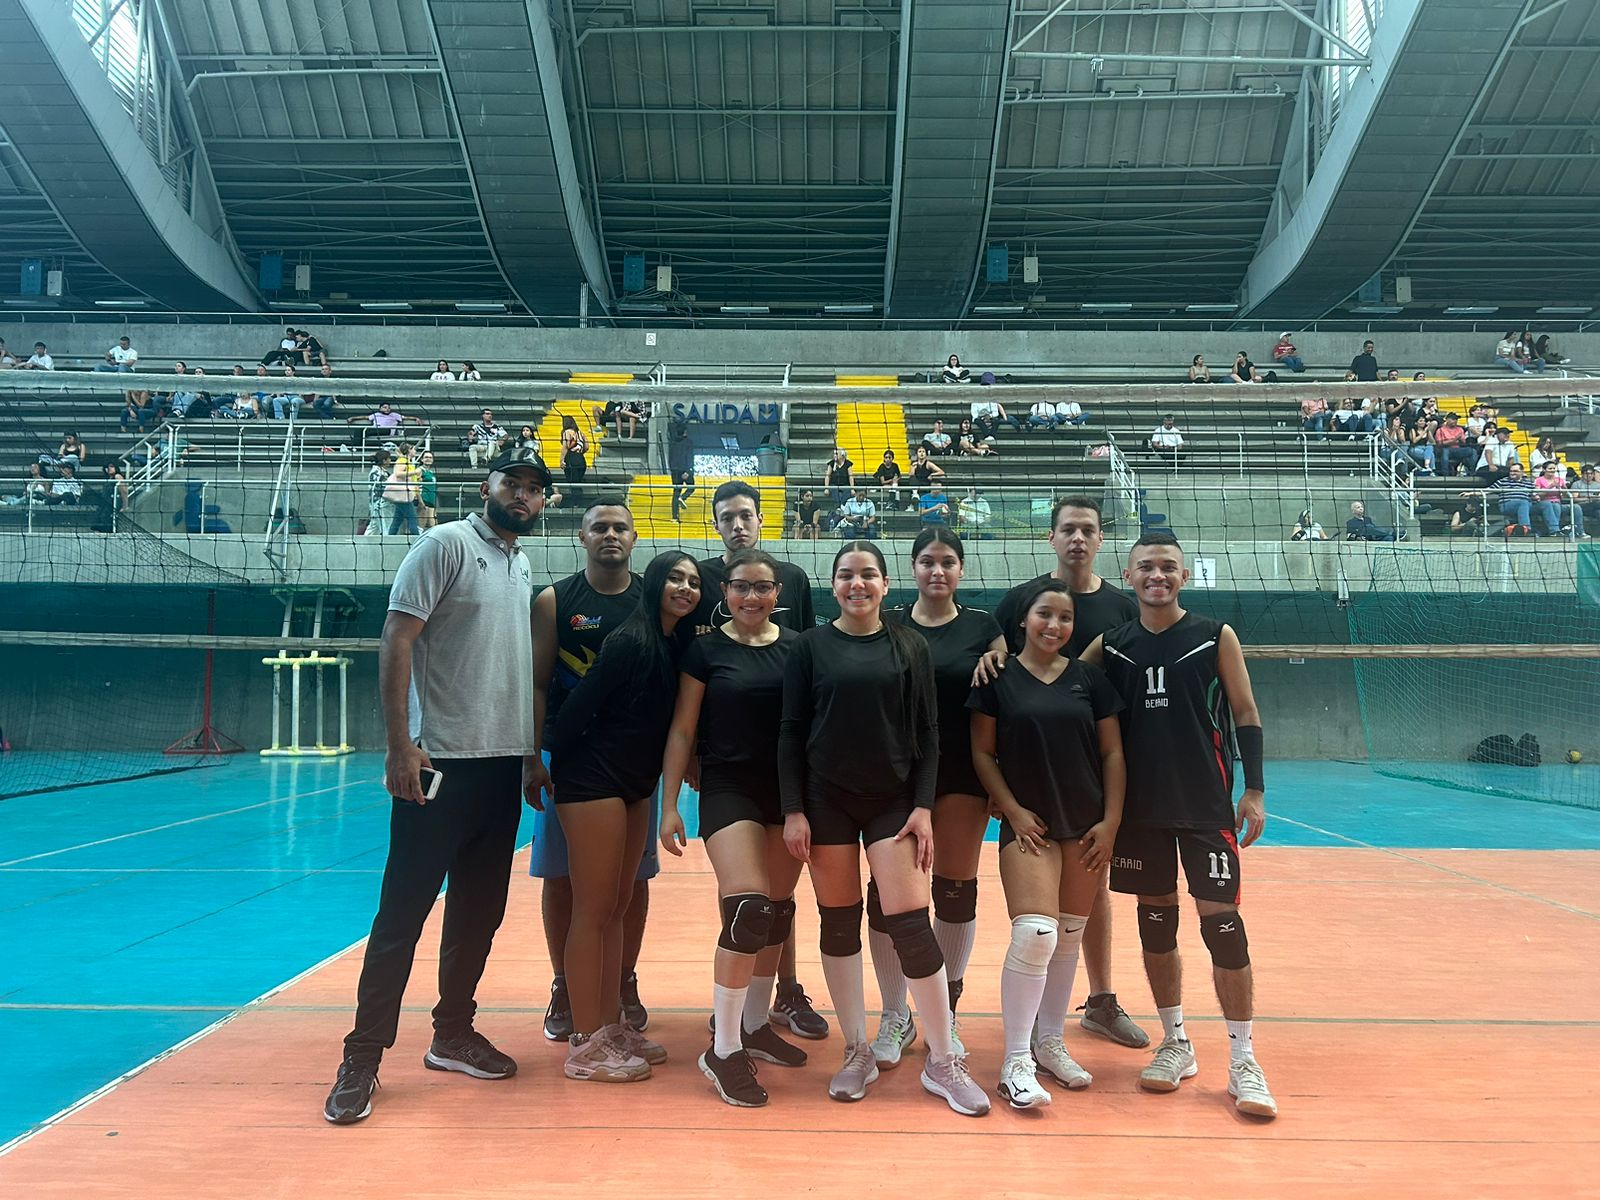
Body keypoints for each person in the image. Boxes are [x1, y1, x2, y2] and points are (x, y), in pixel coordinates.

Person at [321, 450, 549, 1125]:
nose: (524, 497)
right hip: (438, 765)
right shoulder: (445, 544)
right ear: (488, 487)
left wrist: (530, 755)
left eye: (537, 490)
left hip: (501, 765)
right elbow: (395, 640)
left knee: (479, 913)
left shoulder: (521, 562)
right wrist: (399, 745)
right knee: (401, 918)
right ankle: (361, 1059)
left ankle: (452, 1033)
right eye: (514, 484)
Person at [779, 541, 989, 1115]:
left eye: (868, 574)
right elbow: (791, 732)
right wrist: (794, 809)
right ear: (834, 584)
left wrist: (923, 806)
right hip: (826, 802)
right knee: (840, 922)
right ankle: (856, 1049)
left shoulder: (908, 645)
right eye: (846, 575)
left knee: (910, 922)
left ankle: (943, 1059)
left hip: (894, 802)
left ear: (885, 582)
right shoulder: (810, 647)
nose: (857, 584)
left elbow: (929, 734)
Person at [1082, 532, 1277, 1118]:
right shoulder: (1111, 646)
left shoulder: (1214, 636)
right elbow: (1056, 677)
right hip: (1140, 810)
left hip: (1204, 806)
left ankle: (1243, 1059)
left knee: (1223, 926)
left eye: (1168, 567)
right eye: (1146, 567)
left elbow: (1245, 712)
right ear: (1129, 573)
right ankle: (1176, 1042)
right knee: (1156, 924)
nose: (1157, 576)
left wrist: (1256, 791)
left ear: (1184, 575)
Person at [976, 496, 1150, 1049]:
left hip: (1093, 776)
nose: (1077, 538)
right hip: (1029, 775)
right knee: (1038, 923)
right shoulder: (1021, 599)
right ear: (1051, 537)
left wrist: (1116, 808)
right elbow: (994, 656)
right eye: (1068, 530)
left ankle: (1098, 1001)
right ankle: (1021, 1044)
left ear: (1101, 540)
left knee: (1086, 898)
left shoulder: (1121, 608)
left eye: (1088, 530)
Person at [660, 549, 810, 1106]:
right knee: (747, 909)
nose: (752, 597)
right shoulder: (705, 650)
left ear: (778, 593)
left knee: (775, 914)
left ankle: (753, 1025)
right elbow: (681, 730)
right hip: (729, 790)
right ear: (725, 591)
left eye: (763, 588)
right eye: (742, 587)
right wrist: (669, 803)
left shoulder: (798, 648)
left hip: (787, 794)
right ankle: (723, 1049)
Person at [969, 578, 1126, 1107]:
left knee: (1068, 934)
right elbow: (983, 753)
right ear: (1023, 620)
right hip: (1028, 825)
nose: (1054, 626)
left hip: (1084, 823)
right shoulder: (997, 678)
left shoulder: (1091, 680)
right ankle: (1015, 1060)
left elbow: (1112, 755)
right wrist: (1011, 810)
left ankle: (1050, 1041)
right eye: (1045, 615)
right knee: (1036, 932)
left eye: (1064, 618)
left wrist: (1110, 822)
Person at [549, 550, 701, 1082]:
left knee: (616, 904)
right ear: (655, 584)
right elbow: (572, 712)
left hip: (635, 784)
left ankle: (609, 1025)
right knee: (592, 908)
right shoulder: (630, 640)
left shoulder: (670, 642)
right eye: (675, 579)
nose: (685, 588)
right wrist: (546, 769)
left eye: (693, 582)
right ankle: (585, 1043)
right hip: (592, 782)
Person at [690, 480, 828, 1038]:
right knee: (748, 905)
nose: (737, 524)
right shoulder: (697, 590)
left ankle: (770, 1006)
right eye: (727, 517)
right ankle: (728, 1037)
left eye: (746, 515)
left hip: (788, 782)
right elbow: (686, 708)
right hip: (727, 772)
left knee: (777, 904)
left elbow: (822, 669)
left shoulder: (793, 592)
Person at [865, 529, 1004, 1069]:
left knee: (954, 888)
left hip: (962, 772)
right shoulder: (891, 624)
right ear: (913, 568)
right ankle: (895, 1012)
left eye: (947, 562)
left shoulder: (983, 628)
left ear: (961, 570)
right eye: (927, 561)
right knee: (889, 893)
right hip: (898, 773)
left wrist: (999, 662)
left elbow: (1004, 695)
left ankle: (945, 1009)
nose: (937, 571)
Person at [530, 502, 658, 1046]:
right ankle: (567, 984)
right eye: (599, 527)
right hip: (571, 761)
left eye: (619, 527)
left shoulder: (650, 601)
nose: (610, 534)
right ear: (581, 536)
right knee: (564, 879)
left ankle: (620, 983)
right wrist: (531, 755)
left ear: (634, 537)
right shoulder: (555, 599)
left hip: (633, 763)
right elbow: (537, 682)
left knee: (631, 882)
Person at [667, 419, 695, 522]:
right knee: (691, 486)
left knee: (676, 492)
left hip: (674, 470)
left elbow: (670, 457)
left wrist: (672, 469)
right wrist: (688, 470)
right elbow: (689, 457)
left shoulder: (672, 442)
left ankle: (675, 517)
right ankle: (683, 498)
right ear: (684, 431)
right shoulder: (688, 442)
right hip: (684, 469)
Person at [363, 450, 393, 536]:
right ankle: (386, 544)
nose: (390, 461)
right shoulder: (377, 473)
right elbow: (382, 488)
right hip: (380, 503)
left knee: (374, 525)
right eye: (389, 459)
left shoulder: (382, 472)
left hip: (377, 503)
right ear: (384, 461)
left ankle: (362, 543)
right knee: (385, 526)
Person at [561, 415, 589, 499]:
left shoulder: (567, 432)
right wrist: (579, 453)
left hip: (571, 459)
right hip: (581, 460)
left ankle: (576, 503)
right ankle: (578, 502)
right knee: (578, 482)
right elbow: (587, 447)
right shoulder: (581, 433)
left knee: (573, 483)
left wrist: (561, 460)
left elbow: (565, 447)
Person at [416, 450, 438, 529]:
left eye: (430, 457)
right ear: (422, 459)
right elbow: (416, 486)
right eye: (426, 457)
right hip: (424, 499)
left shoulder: (431, 472)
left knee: (433, 525)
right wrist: (421, 501)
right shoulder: (419, 470)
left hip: (432, 500)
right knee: (422, 525)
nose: (428, 459)